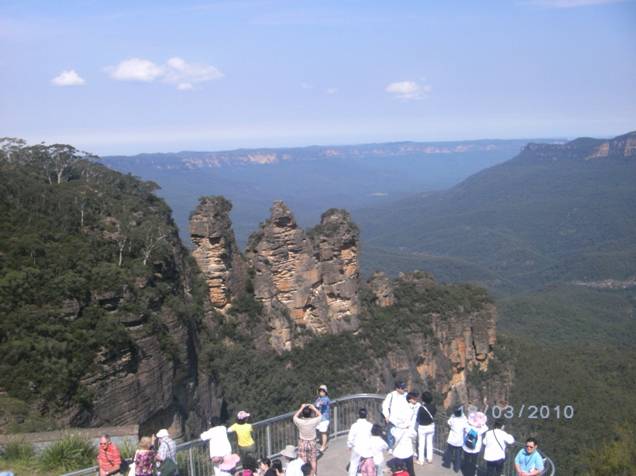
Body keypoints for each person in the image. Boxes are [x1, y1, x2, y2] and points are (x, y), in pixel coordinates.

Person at [292, 403, 321, 476]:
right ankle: (314, 474)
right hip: (312, 442)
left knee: (303, 461)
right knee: (313, 460)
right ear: (311, 414)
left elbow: (294, 417)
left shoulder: (300, 421)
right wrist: (313, 408)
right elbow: (320, 415)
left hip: (302, 442)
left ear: (303, 414)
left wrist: (301, 408)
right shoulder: (313, 421)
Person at [346, 408, 373, 476]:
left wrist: (349, 445)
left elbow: (350, 438)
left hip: (357, 448)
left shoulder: (354, 426)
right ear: (366, 415)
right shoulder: (370, 425)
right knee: (368, 465)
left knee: (354, 464)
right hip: (367, 449)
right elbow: (373, 437)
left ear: (358, 415)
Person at [381, 381, 408, 447]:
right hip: (393, 419)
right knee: (390, 434)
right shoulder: (391, 395)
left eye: (404, 388)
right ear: (397, 388)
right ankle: (391, 447)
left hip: (403, 420)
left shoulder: (406, 395)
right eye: (402, 388)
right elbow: (385, 405)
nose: (403, 389)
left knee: (402, 435)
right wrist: (386, 415)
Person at [461, 411, 488, 476]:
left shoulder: (468, 426)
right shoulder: (480, 430)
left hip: (466, 446)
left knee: (466, 460)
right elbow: (486, 427)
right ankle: (472, 473)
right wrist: (481, 423)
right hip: (475, 448)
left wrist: (471, 422)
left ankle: (465, 473)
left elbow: (465, 423)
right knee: (474, 461)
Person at [442, 406, 467, 473]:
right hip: (459, 439)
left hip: (452, 438)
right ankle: (456, 468)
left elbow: (448, 423)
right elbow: (465, 427)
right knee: (458, 455)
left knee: (449, 452)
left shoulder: (453, 418)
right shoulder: (464, 419)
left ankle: (447, 464)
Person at [415, 391, 436, 465]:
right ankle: (429, 458)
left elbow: (418, 418)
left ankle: (421, 460)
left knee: (421, 444)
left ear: (423, 399)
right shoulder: (433, 407)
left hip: (422, 427)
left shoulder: (421, 408)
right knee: (430, 443)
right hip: (431, 426)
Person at [314, 385, 331, 452]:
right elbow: (316, 404)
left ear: (325, 392)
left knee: (323, 432)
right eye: (320, 391)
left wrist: (318, 402)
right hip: (319, 418)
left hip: (324, 418)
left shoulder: (326, 399)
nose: (321, 392)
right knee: (320, 432)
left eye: (322, 391)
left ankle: (323, 446)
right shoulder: (319, 398)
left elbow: (321, 403)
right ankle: (324, 444)